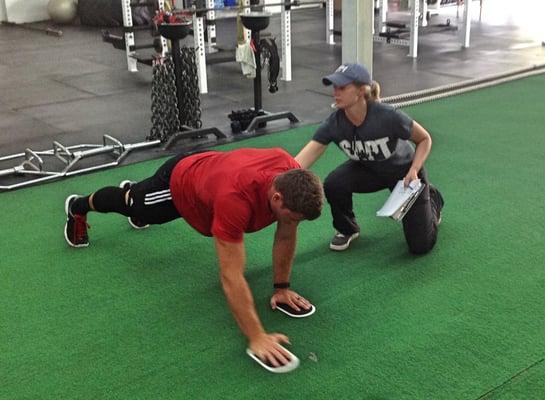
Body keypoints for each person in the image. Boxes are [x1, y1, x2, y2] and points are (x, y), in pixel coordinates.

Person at [63, 147, 323, 367]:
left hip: (210, 175)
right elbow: (231, 275)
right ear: (277, 198)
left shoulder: (290, 176)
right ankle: (79, 206)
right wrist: (257, 336)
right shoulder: (235, 199)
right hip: (179, 182)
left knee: (144, 209)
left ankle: (139, 195)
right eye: (291, 216)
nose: (292, 223)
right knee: (131, 204)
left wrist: (282, 288)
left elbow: (287, 235)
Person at [295, 63, 444, 254]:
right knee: (334, 183)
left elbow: (424, 139)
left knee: (420, 247)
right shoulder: (335, 123)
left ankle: (432, 199)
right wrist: (277, 177)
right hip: (368, 170)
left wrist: (414, 169)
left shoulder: (387, 116)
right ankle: (347, 228)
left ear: (360, 91)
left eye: (342, 87)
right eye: (334, 87)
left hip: (405, 174)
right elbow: (304, 157)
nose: (335, 92)